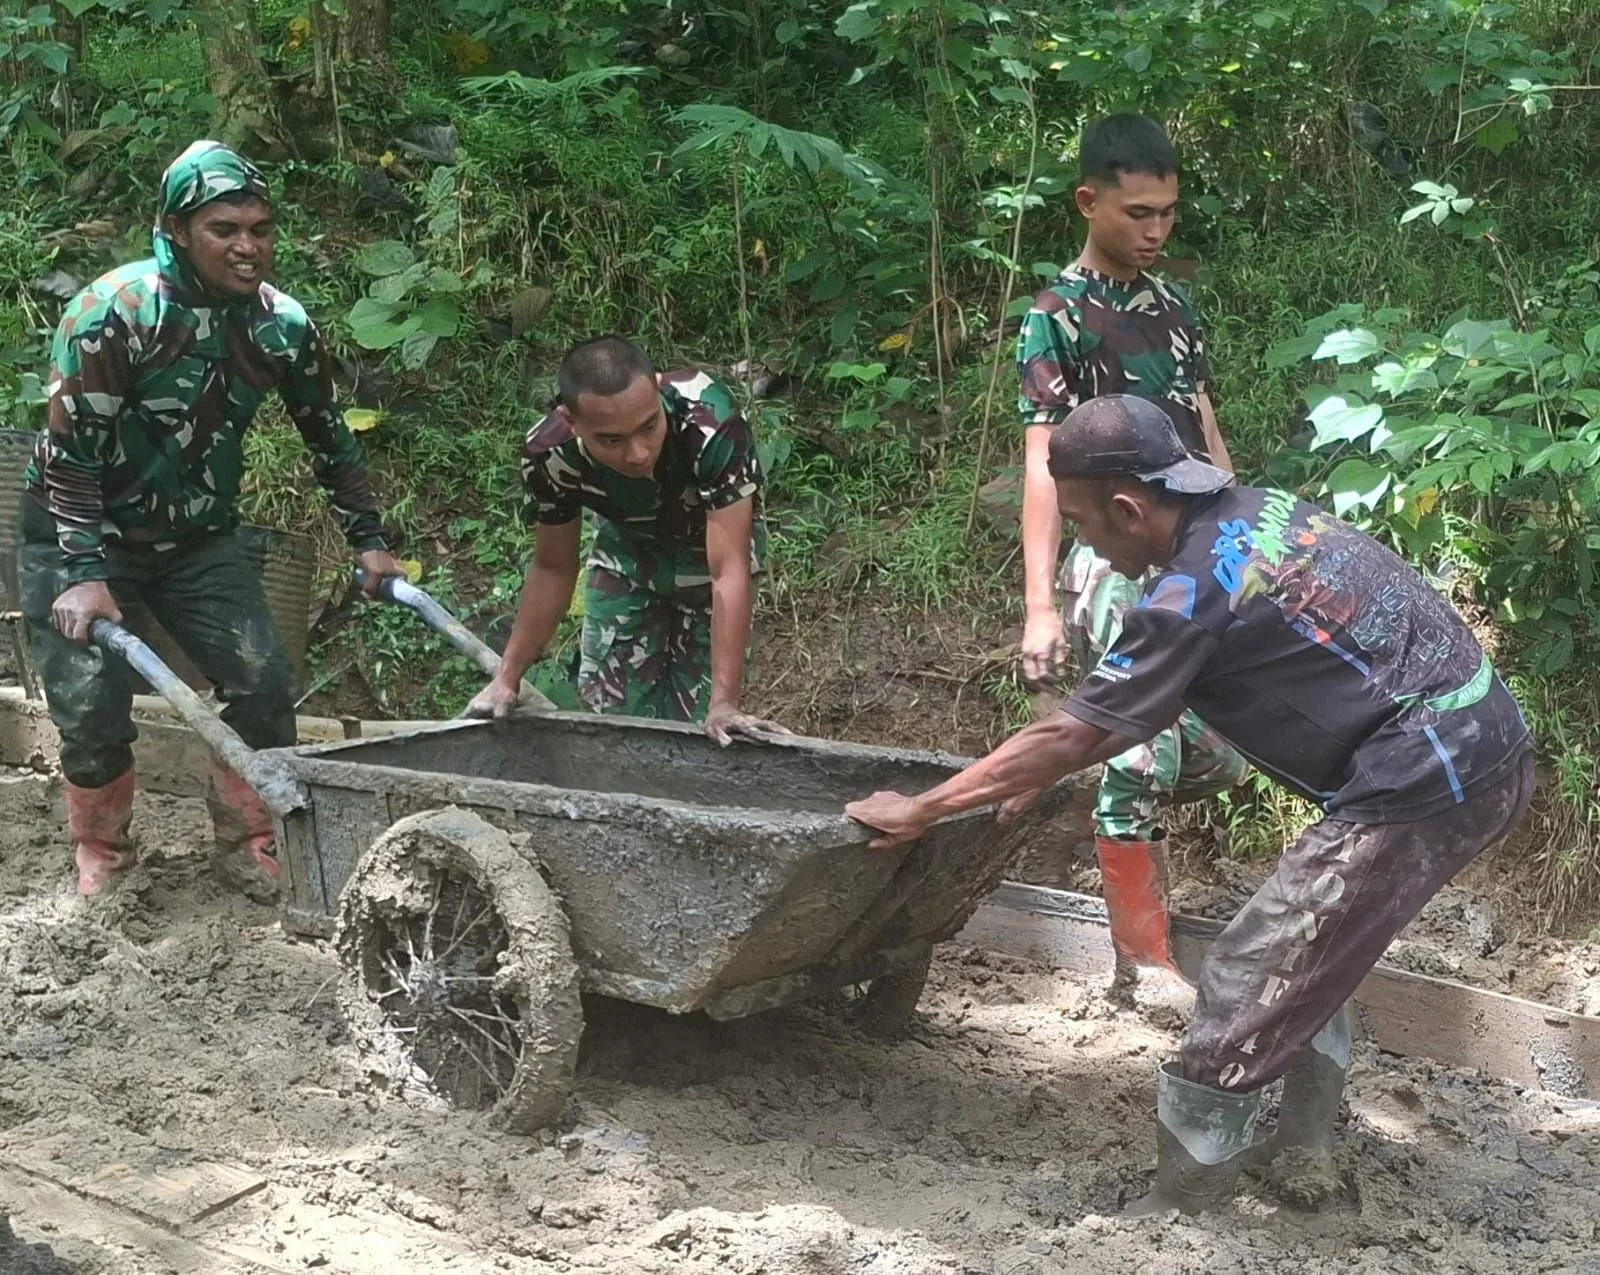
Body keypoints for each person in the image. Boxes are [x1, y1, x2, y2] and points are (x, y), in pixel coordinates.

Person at [846, 396, 1533, 1215]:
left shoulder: (1191, 590)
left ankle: (1182, 1203)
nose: (1083, 541)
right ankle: (1301, 1144)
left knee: (1252, 967)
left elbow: (1078, 727)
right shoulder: (1254, 510)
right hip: (1479, 740)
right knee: (1313, 946)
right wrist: (1037, 768)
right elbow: (1153, 696)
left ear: (1128, 508)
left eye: (1081, 521)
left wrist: (923, 808)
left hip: (1427, 773)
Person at [21, 139, 401, 901]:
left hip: (195, 541)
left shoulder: (280, 325)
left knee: (263, 684)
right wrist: (85, 574)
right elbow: (70, 455)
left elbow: (327, 434)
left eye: (260, 229)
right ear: (177, 229)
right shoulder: (115, 313)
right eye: (224, 229)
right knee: (92, 710)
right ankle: (104, 853)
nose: (246, 246)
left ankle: (248, 842)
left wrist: (370, 539)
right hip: (77, 535)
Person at [1015, 113, 1247, 997]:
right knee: (1140, 748)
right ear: (1089, 202)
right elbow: (1042, 464)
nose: (1156, 230)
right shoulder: (1058, 318)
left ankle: (1059, 766)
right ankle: (1142, 961)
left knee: (1218, 749)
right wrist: (1041, 603)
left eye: (1168, 214)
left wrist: (1240, 536)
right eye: (1139, 213)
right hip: (1111, 558)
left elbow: (1204, 427)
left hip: (1192, 549)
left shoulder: (1175, 307)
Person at [465, 336, 785, 745]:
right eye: (611, 440)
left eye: (649, 427)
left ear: (657, 387)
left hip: (709, 559)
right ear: (571, 421)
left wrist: (724, 702)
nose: (638, 453)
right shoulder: (550, 455)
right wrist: (507, 679)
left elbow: (728, 570)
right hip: (627, 554)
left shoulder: (710, 421)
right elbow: (553, 567)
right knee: (614, 725)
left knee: (702, 731)